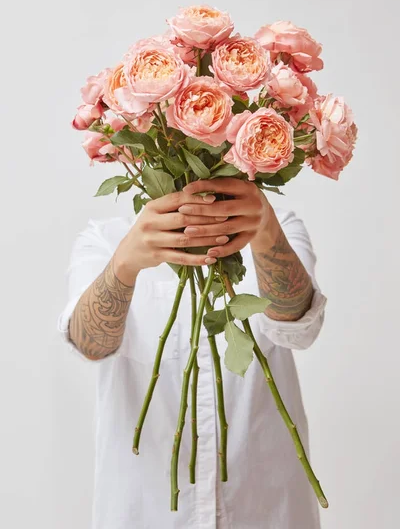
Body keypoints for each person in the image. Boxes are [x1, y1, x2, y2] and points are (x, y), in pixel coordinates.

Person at [58, 177, 327, 529]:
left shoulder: (274, 224)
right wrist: (124, 265)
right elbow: (91, 344)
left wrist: (265, 230)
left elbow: (297, 328)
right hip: (146, 511)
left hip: (265, 508)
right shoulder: (105, 240)